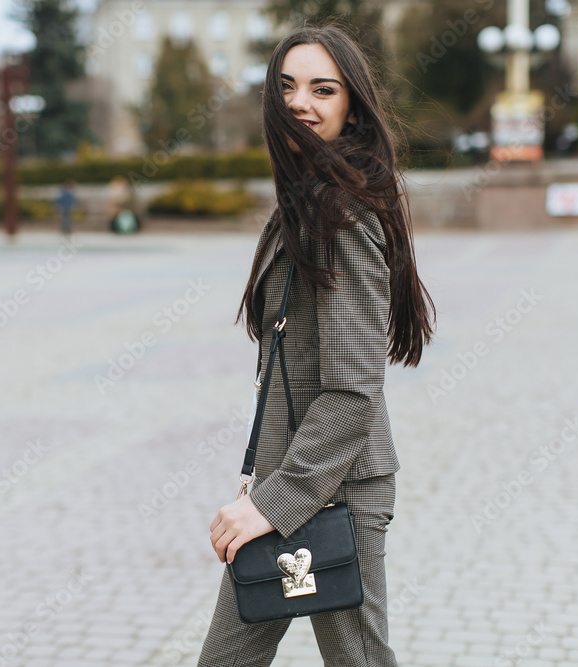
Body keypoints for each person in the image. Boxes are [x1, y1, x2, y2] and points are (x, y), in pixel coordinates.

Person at [198, 25, 435, 666]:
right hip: (294, 483)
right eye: (287, 86)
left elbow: (353, 388)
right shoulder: (305, 200)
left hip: (337, 495)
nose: (301, 102)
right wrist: (266, 492)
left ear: (350, 105)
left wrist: (269, 504)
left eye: (322, 89)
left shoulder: (345, 213)